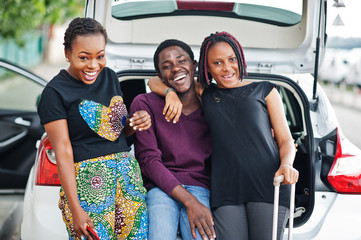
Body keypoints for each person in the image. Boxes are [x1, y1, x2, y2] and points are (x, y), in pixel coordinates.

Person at [148, 32, 299, 240]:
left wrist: (287, 165)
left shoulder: (266, 90)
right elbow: (152, 81)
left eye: (231, 60)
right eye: (217, 63)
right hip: (225, 190)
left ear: (240, 58)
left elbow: (285, 140)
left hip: (267, 183)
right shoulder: (206, 94)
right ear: (206, 68)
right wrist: (170, 93)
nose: (227, 68)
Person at [37, 17, 150, 240]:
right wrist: (76, 208)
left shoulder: (109, 77)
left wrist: (135, 123)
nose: (93, 65)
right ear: (67, 53)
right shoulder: (54, 92)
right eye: (83, 57)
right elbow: (64, 151)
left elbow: (118, 133)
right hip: (90, 187)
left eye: (100, 56)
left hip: (127, 181)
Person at [129, 39, 216, 240]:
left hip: (200, 188)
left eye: (181, 61)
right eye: (167, 66)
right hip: (160, 188)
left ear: (194, 65)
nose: (176, 69)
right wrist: (190, 202)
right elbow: (148, 161)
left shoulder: (211, 105)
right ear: (160, 76)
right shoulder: (144, 103)